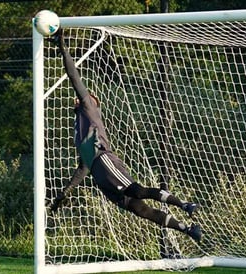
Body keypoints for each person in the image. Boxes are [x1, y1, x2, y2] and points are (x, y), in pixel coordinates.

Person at [48, 29, 202, 242]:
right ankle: (188, 230)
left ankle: (185, 205)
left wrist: (62, 46)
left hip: (105, 162)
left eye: (87, 95)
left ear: (93, 101)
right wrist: (65, 192)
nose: (82, 96)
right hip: (100, 177)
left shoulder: (89, 108)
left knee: (137, 191)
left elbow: (73, 76)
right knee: (142, 211)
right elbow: (84, 166)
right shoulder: (79, 125)